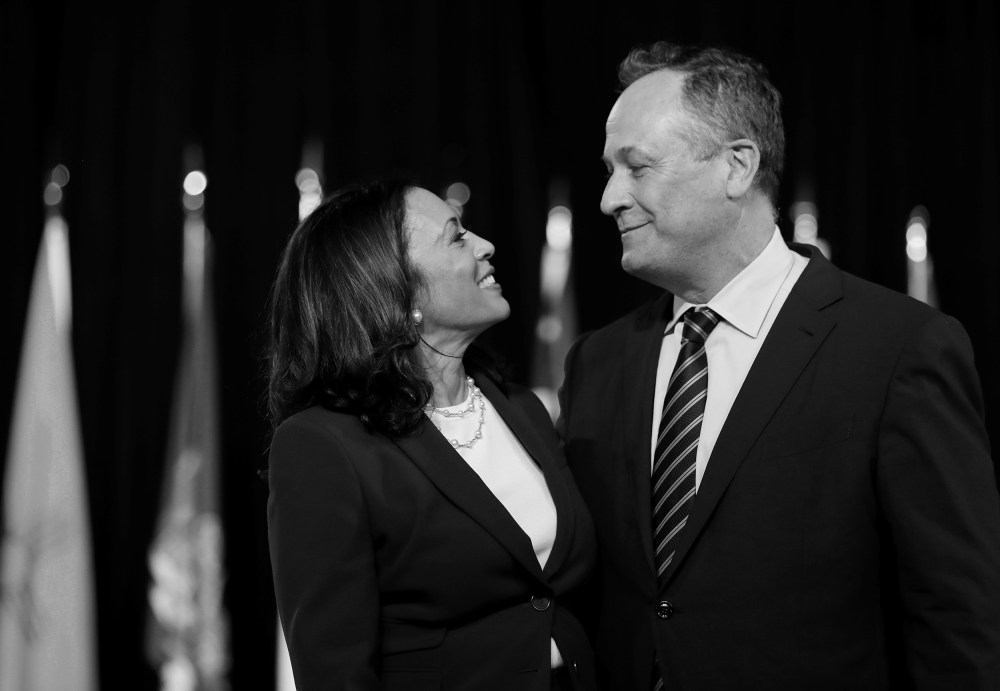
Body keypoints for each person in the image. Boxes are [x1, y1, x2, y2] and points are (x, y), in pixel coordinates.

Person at [558, 42, 1000, 690]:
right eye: (608, 169)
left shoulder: (897, 348)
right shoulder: (597, 362)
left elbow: (959, 616)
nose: (608, 198)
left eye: (637, 167)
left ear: (737, 166)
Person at [265, 179, 597, 691]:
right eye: (456, 236)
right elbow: (335, 671)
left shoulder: (523, 408)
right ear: (394, 287)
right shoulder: (322, 445)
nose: (485, 245)